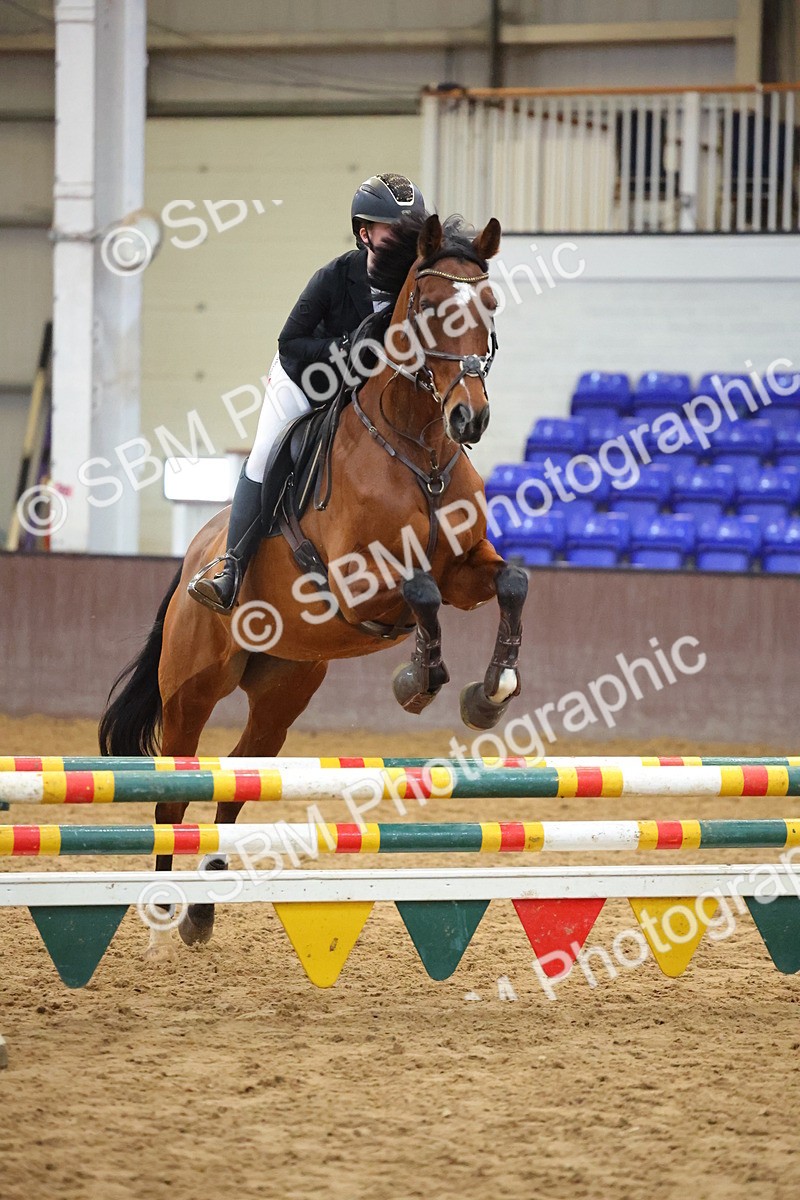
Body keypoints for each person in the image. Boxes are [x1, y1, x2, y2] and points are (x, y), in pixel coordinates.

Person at [189, 172, 426, 614]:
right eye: (395, 231)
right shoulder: (334, 278)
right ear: (365, 234)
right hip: (305, 381)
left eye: (412, 230)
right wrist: (346, 348)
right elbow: (290, 343)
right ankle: (231, 568)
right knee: (264, 455)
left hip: (361, 395)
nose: (406, 240)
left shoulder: (412, 286)